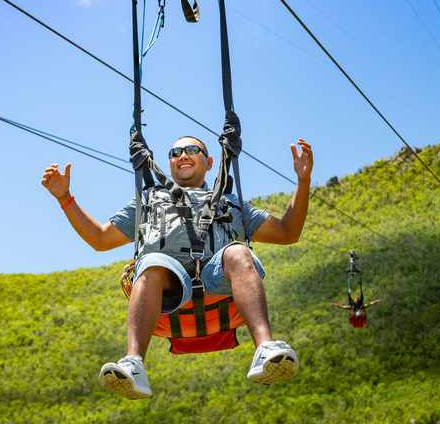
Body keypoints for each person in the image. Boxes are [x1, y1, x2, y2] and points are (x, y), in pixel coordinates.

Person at [42, 135, 314, 399]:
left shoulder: (230, 203)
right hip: (169, 289)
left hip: (220, 286)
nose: (182, 155)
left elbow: (287, 233)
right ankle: (134, 363)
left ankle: (265, 348)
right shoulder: (148, 201)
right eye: (175, 152)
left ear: (209, 162)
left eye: (191, 150)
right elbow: (101, 238)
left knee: (238, 252)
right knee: (150, 263)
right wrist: (65, 198)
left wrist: (303, 181)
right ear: (170, 163)